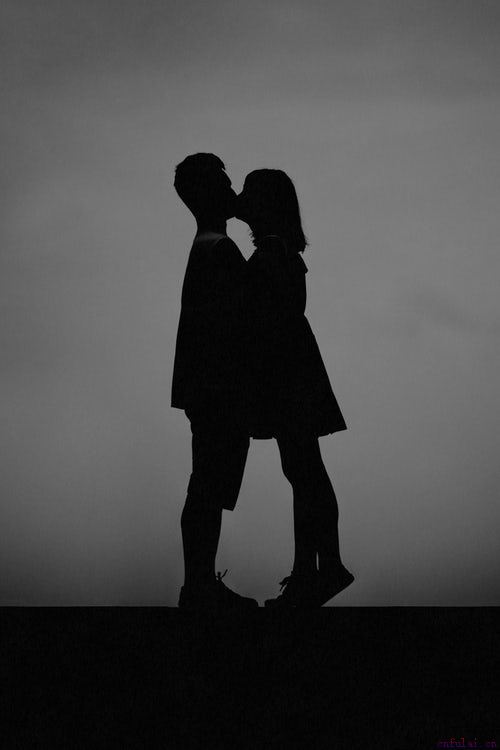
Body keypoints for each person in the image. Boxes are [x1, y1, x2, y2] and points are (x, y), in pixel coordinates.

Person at [235, 169, 354, 607]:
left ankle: (321, 569)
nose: (242, 198)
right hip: (292, 370)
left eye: (250, 192)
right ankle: (314, 570)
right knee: (304, 469)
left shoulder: (272, 251)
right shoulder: (281, 248)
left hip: (287, 374)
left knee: (304, 470)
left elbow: (269, 317)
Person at [172, 153, 257, 610]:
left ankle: (200, 582)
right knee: (207, 484)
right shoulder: (219, 249)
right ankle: (199, 585)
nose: (231, 191)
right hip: (219, 388)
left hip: (207, 386)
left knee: (206, 483)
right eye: (224, 185)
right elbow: (242, 322)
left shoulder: (207, 245)